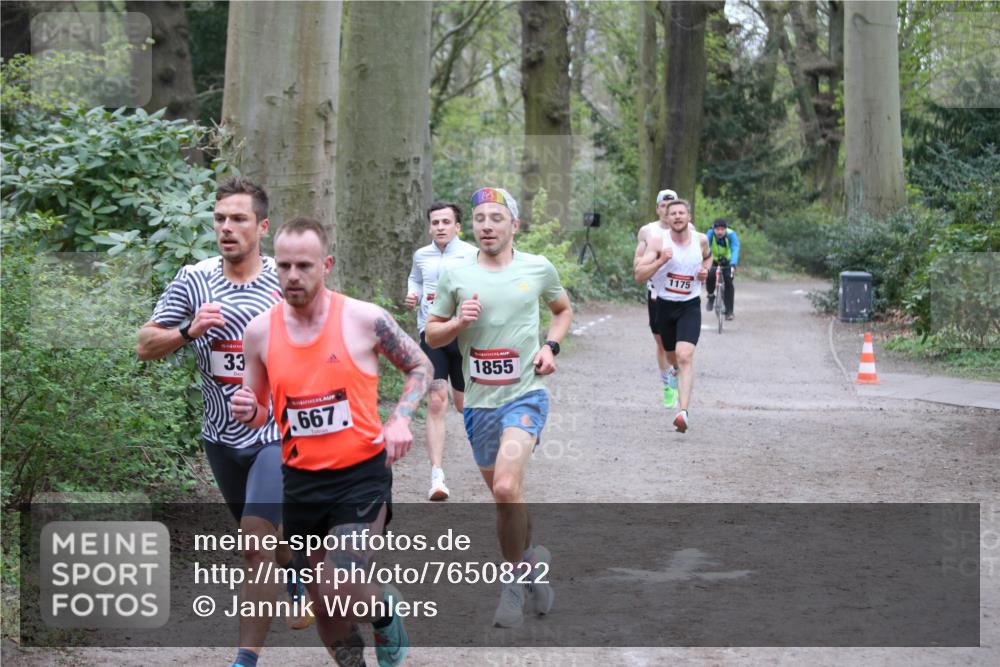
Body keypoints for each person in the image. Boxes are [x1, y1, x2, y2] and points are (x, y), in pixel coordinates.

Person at [233, 217, 432, 667]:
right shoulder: (260, 333)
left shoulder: (365, 319)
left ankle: (382, 609)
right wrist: (250, 409)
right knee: (323, 599)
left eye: (303, 265)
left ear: (326, 265)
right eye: (283, 266)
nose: (293, 276)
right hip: (300, 481)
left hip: (360, 475)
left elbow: (420, 367)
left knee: (341, 581)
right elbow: (261, 411)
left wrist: (399, 420)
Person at [136, 177, 310, 667]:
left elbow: (324, 350)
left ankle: (244, 660)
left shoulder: (286, 280)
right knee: (269, 543)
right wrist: (189, 331)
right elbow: (145, 345)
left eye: (239, 219)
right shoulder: (195, 279)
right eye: (220, 219)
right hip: (221, 437)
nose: (227, 228)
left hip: (277, 435)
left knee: (253, 545)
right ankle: (292, 566)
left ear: (263, 226)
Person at [424, 187, 573, 629]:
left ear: (514, 225)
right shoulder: (455, 273)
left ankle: (511, 583)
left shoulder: (538, 268)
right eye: (480, 218)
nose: (486, 225)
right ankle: (532, 560)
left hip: (525, 395)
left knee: (507, 488)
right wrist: (457, 323)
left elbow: (562, 310)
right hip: (479, 404)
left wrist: (551, 346)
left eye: (496, 217)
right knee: (505, 499)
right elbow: (432, 336)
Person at [404, 202, 477, 501]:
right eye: (435, 222)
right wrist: (413, 293)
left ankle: (501, 448)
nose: (440, 227)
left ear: (458, 226)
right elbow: (415, 279)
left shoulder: (471, 254)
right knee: (436, 400)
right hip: (431, 336)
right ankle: (437, 476)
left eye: (446, 222)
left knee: (463, 406)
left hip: (462, 336)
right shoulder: (421, 255)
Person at [634, 198, 711, 434]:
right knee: (670, 355)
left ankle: (683, 412)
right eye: (673, 213)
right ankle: (674, 371)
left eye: (681, 213)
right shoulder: (658, 241)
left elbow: (708, 257)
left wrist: (705, 270)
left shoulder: (701, 240)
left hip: (690, 306)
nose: (677, 216)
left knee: (685, 355)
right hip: (664, 305)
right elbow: (638, 274)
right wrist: (660, 260)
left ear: (689, 216)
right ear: (667, 218)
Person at [634, 188, 682, 408]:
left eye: (670, 206)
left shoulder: (687, 229)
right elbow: (637, 263)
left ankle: (677, 375)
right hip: (656, 293)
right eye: (662, 206)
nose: (666, 210)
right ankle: (668, 385)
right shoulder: (647, 231)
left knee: (680, 345)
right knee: (662, 344)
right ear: (657, 208)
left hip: (680, 295)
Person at [705, 218, 740, 321]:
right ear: (713, 229)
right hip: (713, 260)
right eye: (717, 229)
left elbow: (735, 249)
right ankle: (711, 296)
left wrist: (733, 264)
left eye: (722, 229)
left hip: (728, 261)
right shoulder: (710, 234)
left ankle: (729, 311)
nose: (719, 232)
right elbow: (705, 247)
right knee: (710, 275)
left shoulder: (731, 235)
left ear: (726, 229)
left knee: (728, 282)